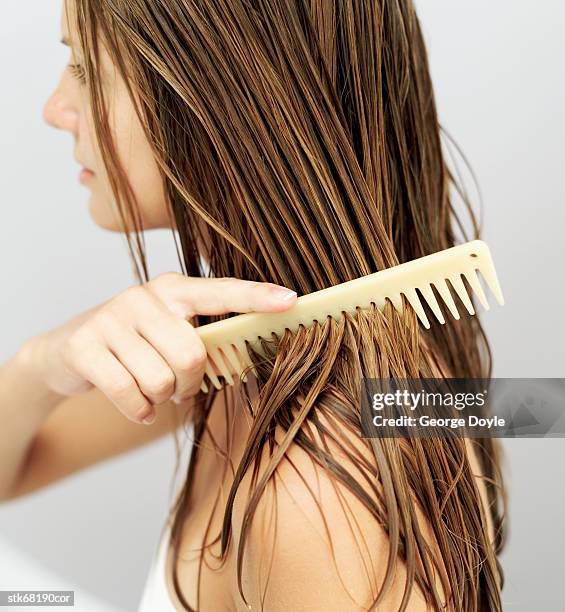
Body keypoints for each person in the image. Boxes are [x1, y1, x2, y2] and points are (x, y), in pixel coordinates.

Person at [0, 1, 507, 610]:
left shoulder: (317, 493)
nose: (54, 110)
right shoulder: (249, 353)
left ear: (216, 100)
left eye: (85, 69)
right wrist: (41, 363)